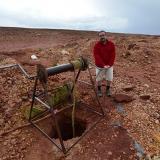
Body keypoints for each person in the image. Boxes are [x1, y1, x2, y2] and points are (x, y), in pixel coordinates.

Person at [93, 30, 116, 97]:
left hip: (109, 65)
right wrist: (103, 65)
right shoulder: (96, 46)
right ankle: (99, 90)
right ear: (99, 37)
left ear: (106, 35)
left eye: (103, 35)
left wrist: (109, 64)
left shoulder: (111, 44)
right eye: (100, 36)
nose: (102, 37)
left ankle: (108, 89)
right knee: (99, 78)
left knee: (109, 78)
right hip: (99, 66)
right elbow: (96, 56)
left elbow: (113, 55)